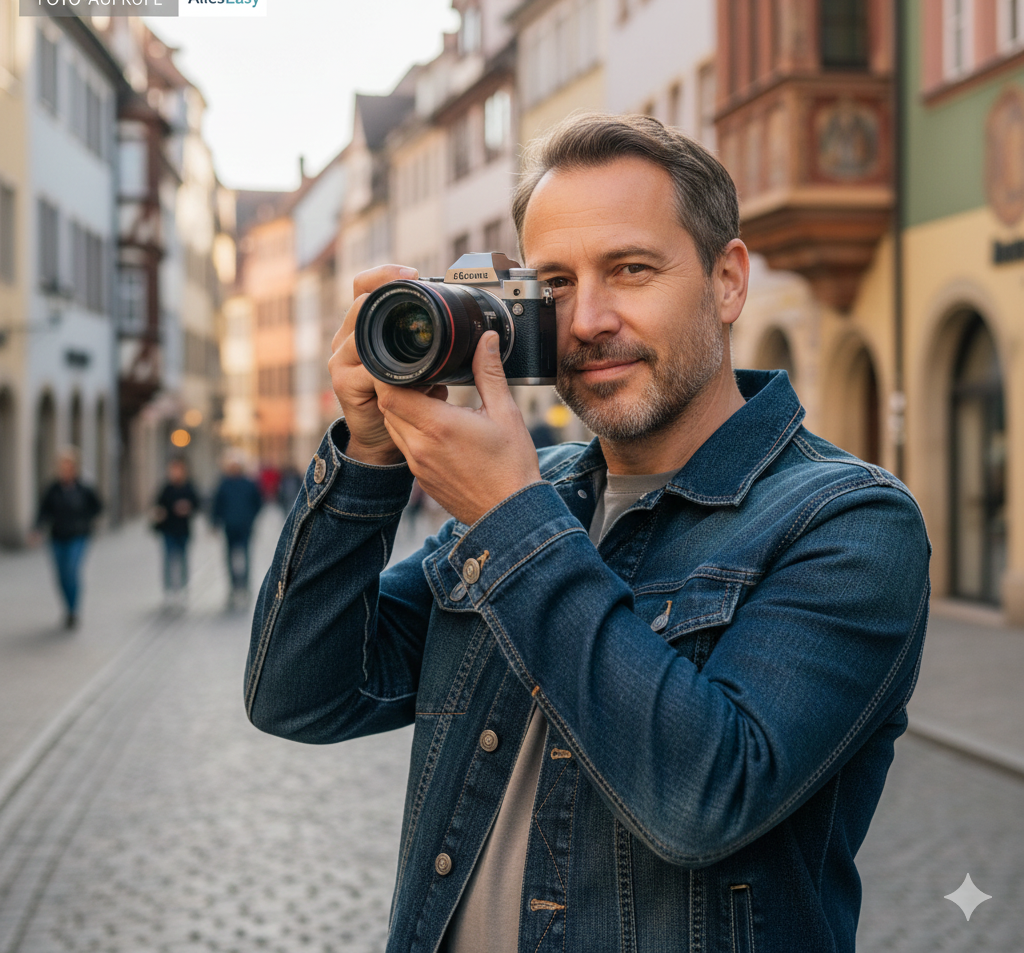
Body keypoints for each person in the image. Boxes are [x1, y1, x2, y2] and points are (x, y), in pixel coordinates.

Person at [244, 114, 931, 953]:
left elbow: (704, 800)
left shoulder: (849, 521)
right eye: (557, 283)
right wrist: (368, 454)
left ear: (727, 281)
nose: (588, 320)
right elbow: (300, 695)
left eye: (631, 269)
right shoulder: (543, 495)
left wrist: (510, 520)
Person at [33, 446, 103, 629]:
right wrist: (37, 528)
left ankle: (73, 611)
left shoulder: (84, 488)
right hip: (57, 536)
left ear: (75, 468)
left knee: (71, 571)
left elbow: (98, 507)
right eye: (62, 466)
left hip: (78, 536)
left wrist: (86, 521)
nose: (65, 470)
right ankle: (67, 607)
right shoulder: (53, 489)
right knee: (61, 576)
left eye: (68, 466)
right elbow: (43, 510)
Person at [211, 452, 262, 598]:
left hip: (245, 526)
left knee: (245, 556)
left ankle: (245, 585)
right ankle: (233, 586)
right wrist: (215, 522)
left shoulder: (249, 484)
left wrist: (251, 518)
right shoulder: (224, 484)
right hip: (229, 526)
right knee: (229, 557)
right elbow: (217, 505)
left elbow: (257, 502)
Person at [152, 456, 201, 603]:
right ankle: (169, 590)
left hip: (183, 529)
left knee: (183, 559)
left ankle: (184, 588)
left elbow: (197, 504)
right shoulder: (166, 488)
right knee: (168, 560)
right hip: (168, 529)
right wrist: (160, 513)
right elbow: (157, 505)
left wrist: (187, 507)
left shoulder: (189, 487)